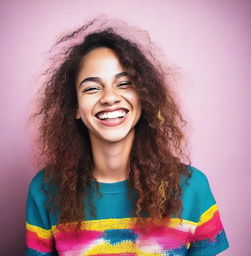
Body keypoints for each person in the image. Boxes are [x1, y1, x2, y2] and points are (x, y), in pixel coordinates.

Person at [25, 18, 229, 255]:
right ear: (75, 107)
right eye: (92, 88)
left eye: (124, 84)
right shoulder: (45, 190)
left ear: (143, 98)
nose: (110, 97)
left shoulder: (192, 187)